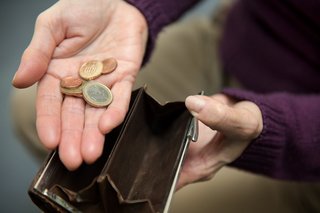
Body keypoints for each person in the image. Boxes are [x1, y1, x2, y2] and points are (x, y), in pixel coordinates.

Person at [11, 0, 320, 212]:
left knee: (141, 202)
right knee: (32, 111)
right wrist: (134, 7)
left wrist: (271, 124)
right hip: (242, 37)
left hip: (304, 138)